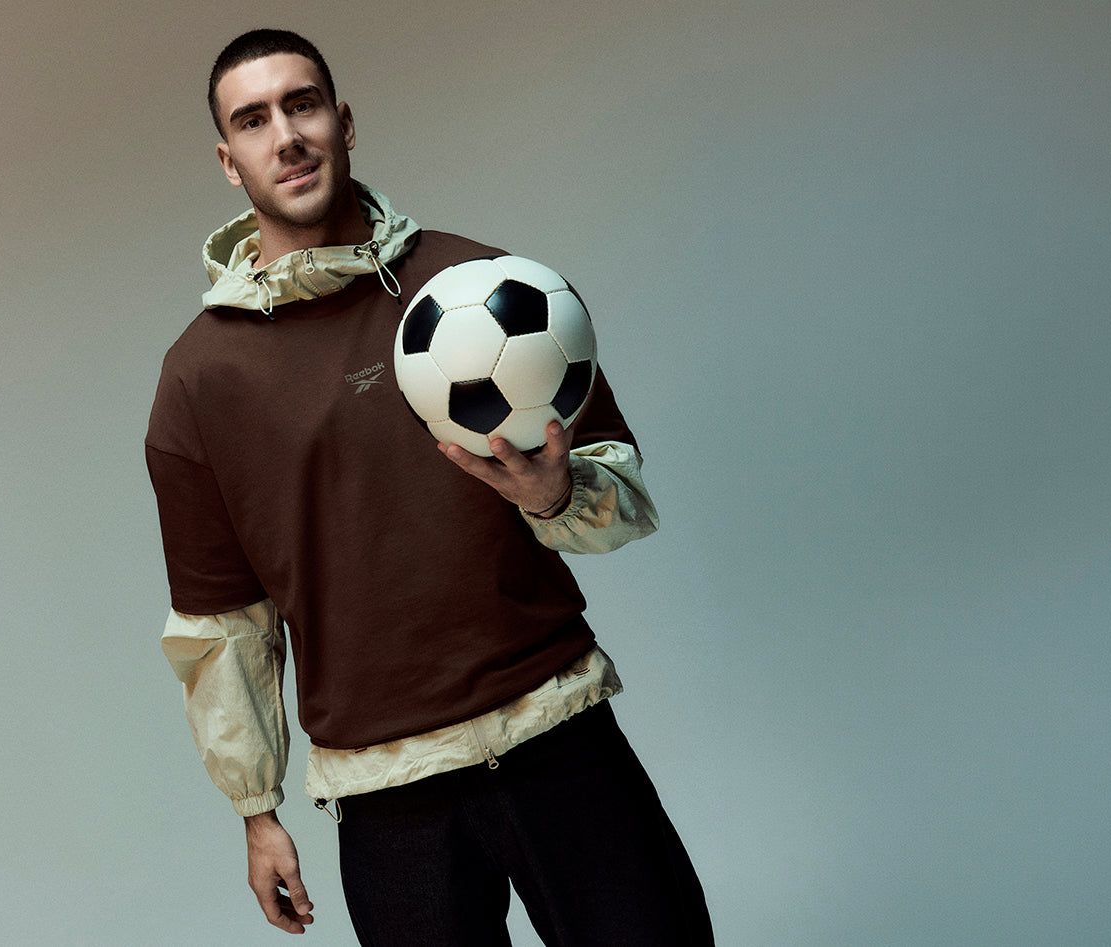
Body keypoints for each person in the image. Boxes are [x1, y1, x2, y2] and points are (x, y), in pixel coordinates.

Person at [146, 28, 714, 945]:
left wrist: (553, 495)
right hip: (389, 795)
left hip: (557, 733)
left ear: (344, 122)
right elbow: (223, 623)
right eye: (253, 120)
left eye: (303, 105)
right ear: (228, 160)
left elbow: (622, 496)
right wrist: (256, 807)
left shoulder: (491, 288)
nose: (286, 136)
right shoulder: (199, 380)